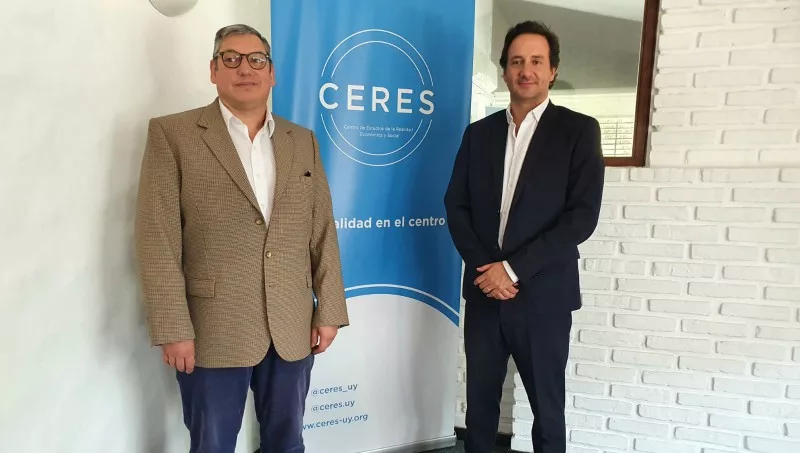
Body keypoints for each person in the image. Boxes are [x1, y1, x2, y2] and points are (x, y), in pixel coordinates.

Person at [134, 24, 349, 453]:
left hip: (291, 325)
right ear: (213, 70)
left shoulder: (301, 140)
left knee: (287, 443)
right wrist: (173, 327)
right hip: (213, 328)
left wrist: (329, 310)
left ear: (272, 73)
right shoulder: (173, 134)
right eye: (231, 59)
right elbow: (157, 240)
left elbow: (321, 229)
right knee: (212, 445)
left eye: (256, 59)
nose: (245, 69)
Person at [444, 21, 605, 453]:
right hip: (485, 292)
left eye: (536, 61)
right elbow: (455, 206)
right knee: (480, 407)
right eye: (517, 61)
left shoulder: (578, 131)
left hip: (543, 297)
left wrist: (511, 270)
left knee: (547, 411)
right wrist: (488, 270)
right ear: (505, 71)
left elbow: (581, 217)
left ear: (552, 70)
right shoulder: (479, 134)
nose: (526, 70)